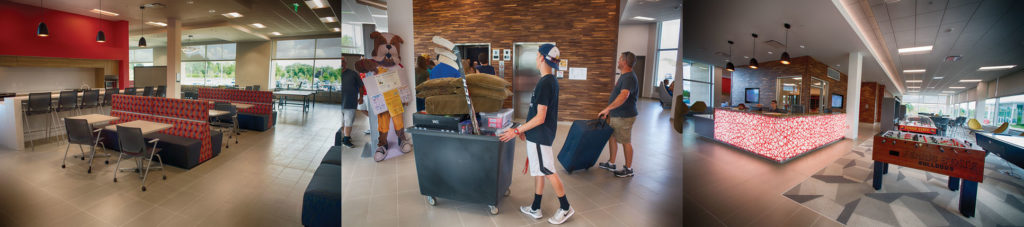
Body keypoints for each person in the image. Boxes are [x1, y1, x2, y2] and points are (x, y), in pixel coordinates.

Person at [499, 44, 573, 225]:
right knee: (539, 171)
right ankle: (535, 207)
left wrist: (517, 130)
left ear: (541, 57)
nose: (536, 57)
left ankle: (566, 208)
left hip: (540, 136)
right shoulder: (549, 80)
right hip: (537, 134)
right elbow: (536, 114)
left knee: (548, 170)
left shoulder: (546, 83)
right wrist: (526, 130)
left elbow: (540, 117)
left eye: (537, 54)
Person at [597, 51, 639, 178]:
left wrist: (608, 109)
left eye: (620, 59)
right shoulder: (624, 75)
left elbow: (624, 95)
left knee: (626, 141)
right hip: (617, 114)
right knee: (613, 138)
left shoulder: (629, 77)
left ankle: (628, 169)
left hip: (624, 116)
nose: (618, 61)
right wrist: (610, 110)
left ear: (625, 62)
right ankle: (611, 163)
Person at [340, 58, 364, 148]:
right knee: (341, 123)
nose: (341, 63)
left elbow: (361, 86)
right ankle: (346, 136)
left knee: (349, 122)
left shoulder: (353, 74)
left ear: (345, 63)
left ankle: (346, 139)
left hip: (350, 103)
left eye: (343, 61)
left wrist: (361, 97)